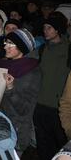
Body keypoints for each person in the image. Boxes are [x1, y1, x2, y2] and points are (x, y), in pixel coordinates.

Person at [0, 28, 41, 155]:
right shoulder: (3, 67)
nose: (5, 46)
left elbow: (25, 109)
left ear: (22, 47)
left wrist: (10, 88)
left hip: (15, 131)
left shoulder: (32, 73)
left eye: (10, 43)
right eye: (6, 42)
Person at [34, 12, 70, 160]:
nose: (45, 30)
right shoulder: (42, 49)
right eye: (44, 27)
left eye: (49, 27)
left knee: (61, 147)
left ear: (58, 30)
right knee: (43, 147)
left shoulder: (69, 50)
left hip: (60, 109)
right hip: (40, 106)